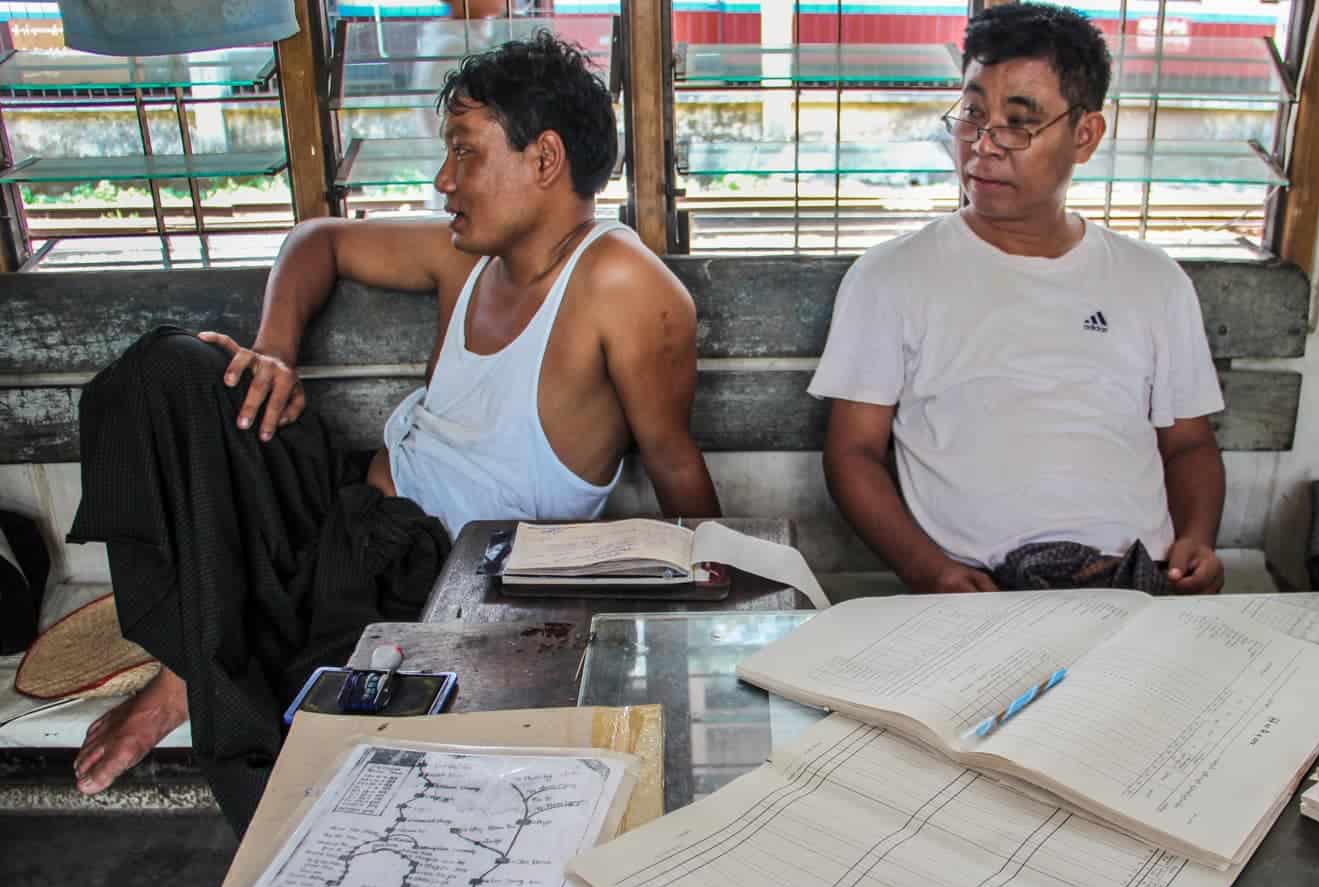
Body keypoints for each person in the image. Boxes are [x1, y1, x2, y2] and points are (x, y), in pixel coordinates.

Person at [68, 33, 720, 831]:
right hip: (342, 516)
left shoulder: (621, 285)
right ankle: (197, 657)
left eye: (464, 153)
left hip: (435, 581)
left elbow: (677, 472)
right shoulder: (465, 256)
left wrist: (733, 624)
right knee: (166, 370)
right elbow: (319, 240)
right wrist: (275, 350)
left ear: (544, 159)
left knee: (316, 760)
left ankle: (201, 673)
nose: (445, 180)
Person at [811, 2, 1225, 598]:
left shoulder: (1150, 280)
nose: (984, 145)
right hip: (980, 589)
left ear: (1084, 135)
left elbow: (1188, 444)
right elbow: (852, 453)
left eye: (1018, 122)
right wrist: (927, 570)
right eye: (972, 114)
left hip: (1137, 584)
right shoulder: (893, 277)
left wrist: (1197, 541)